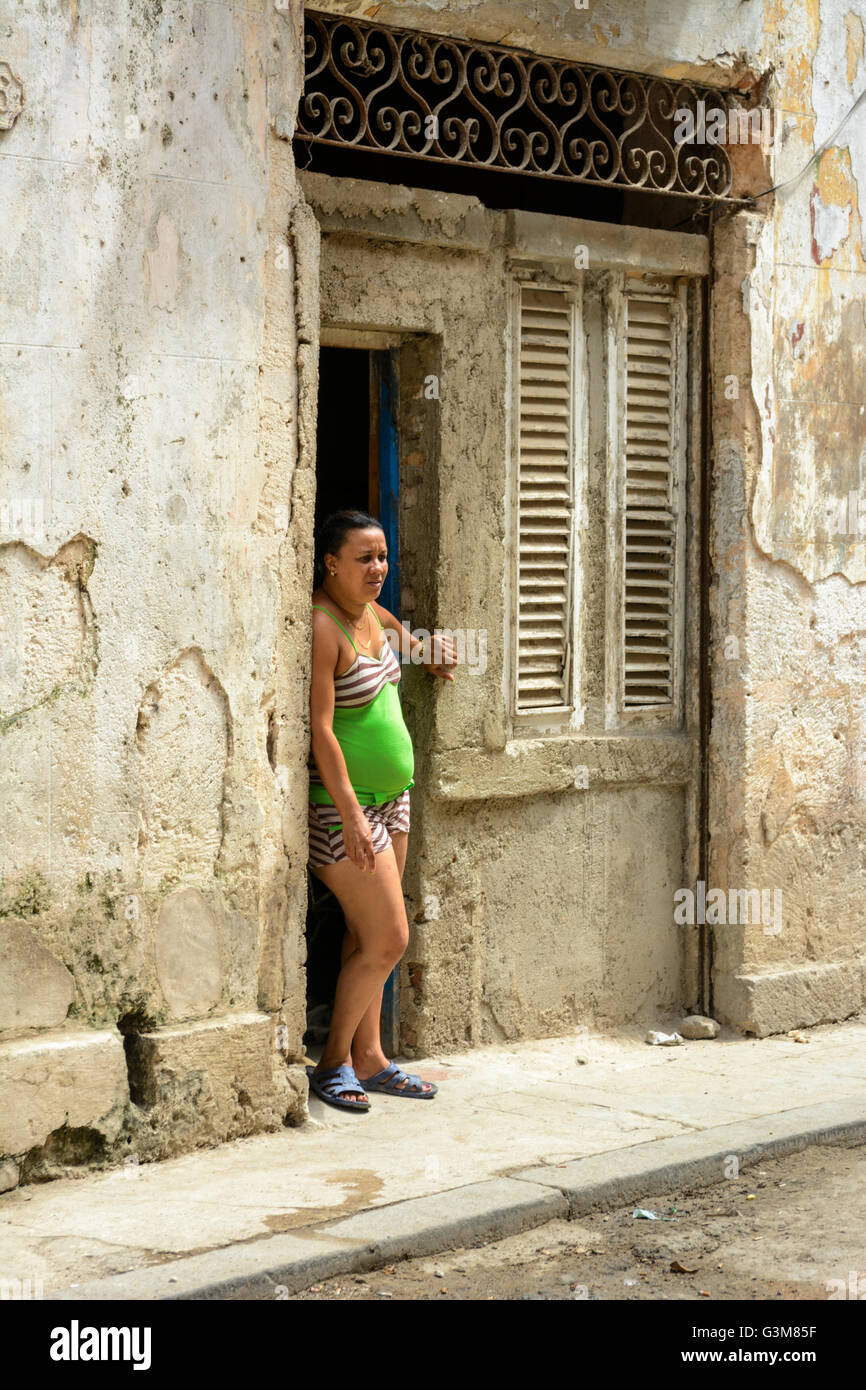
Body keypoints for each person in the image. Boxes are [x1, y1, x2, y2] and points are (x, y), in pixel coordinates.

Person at [306, 509, 458, 1112]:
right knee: (391, 939)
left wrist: (431, 650)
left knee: (365, 935)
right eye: (365, 558)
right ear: (331, 563)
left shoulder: (371, 614)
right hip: (346, 810)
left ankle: (370, 1058)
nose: (377, 569)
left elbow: (407, 642)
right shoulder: (324, 627)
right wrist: (347, 811)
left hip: (393, 802)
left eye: (383, 557)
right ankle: (331, 1064)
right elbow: (321, 730)